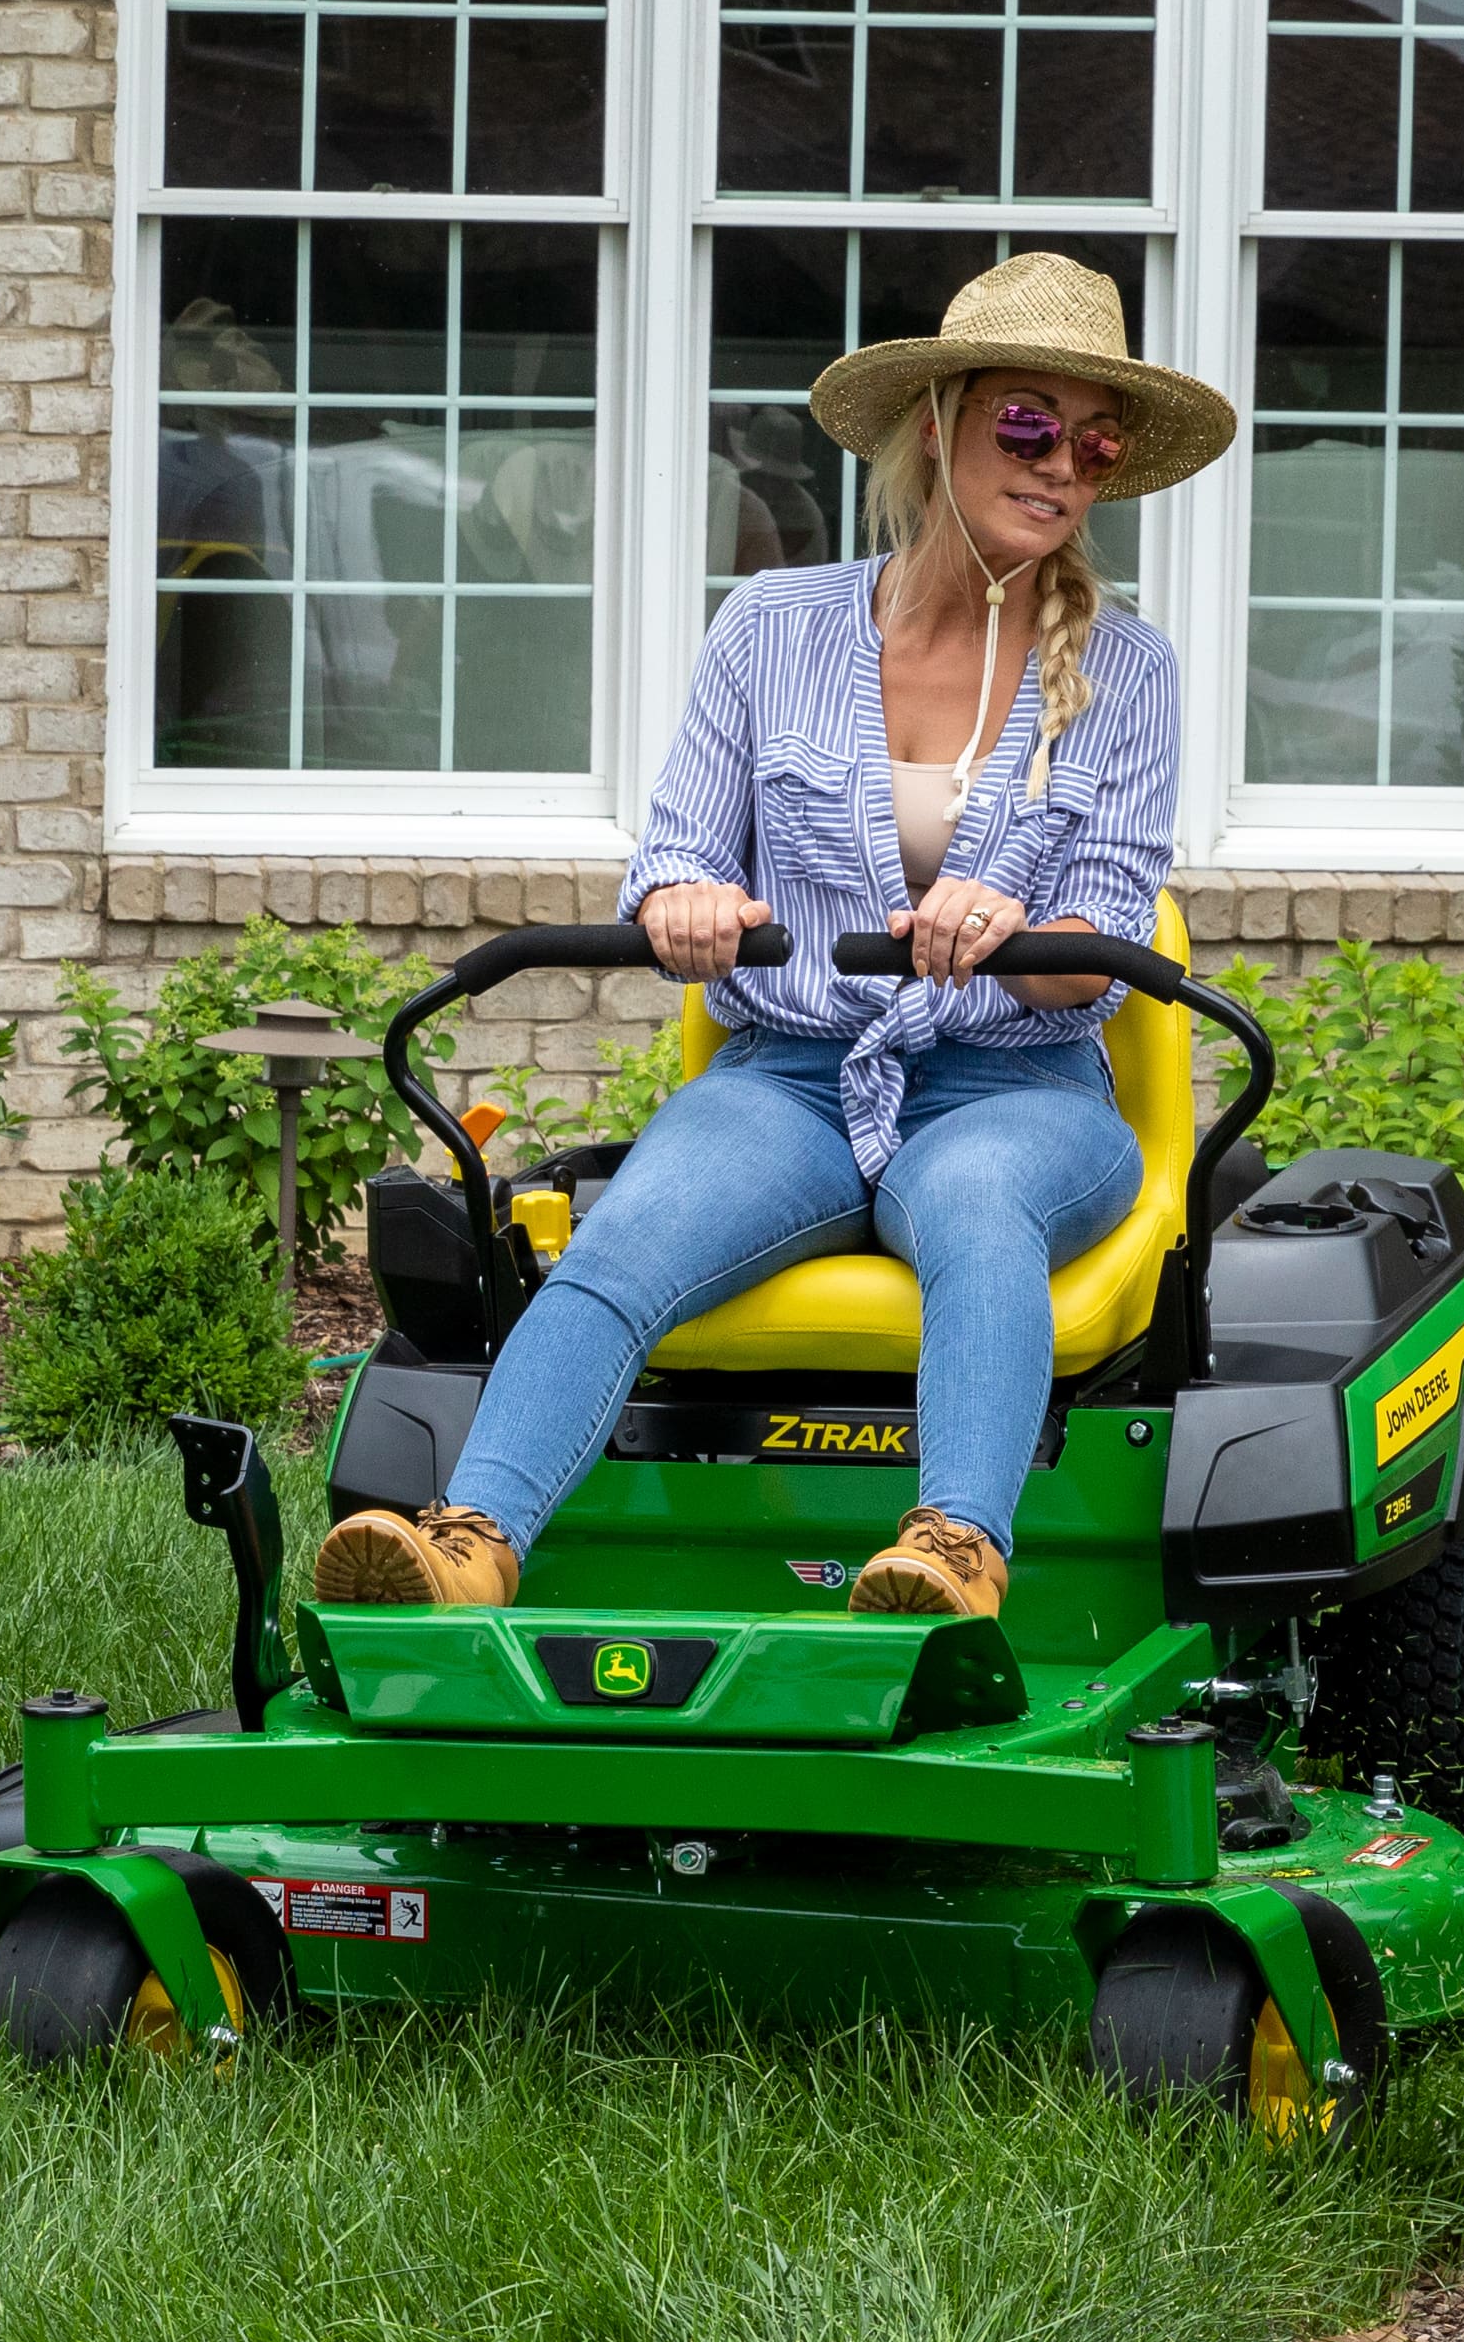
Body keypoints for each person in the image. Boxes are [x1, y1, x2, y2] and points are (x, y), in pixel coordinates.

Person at [313, 253, 1240, 1621]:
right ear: (939, 425)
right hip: (791, 1075)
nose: (1061, 467)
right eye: (1028, 426)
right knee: (624, 1240)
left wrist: (1013, 926)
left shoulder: (1126, 671)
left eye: (1094, 445)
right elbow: (677, 852)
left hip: (1017, 1087)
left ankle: (953, 1555)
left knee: (976, 1212)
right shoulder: (770, 626)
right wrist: (684, 905)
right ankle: (469, 1544)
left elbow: (1098, 942)